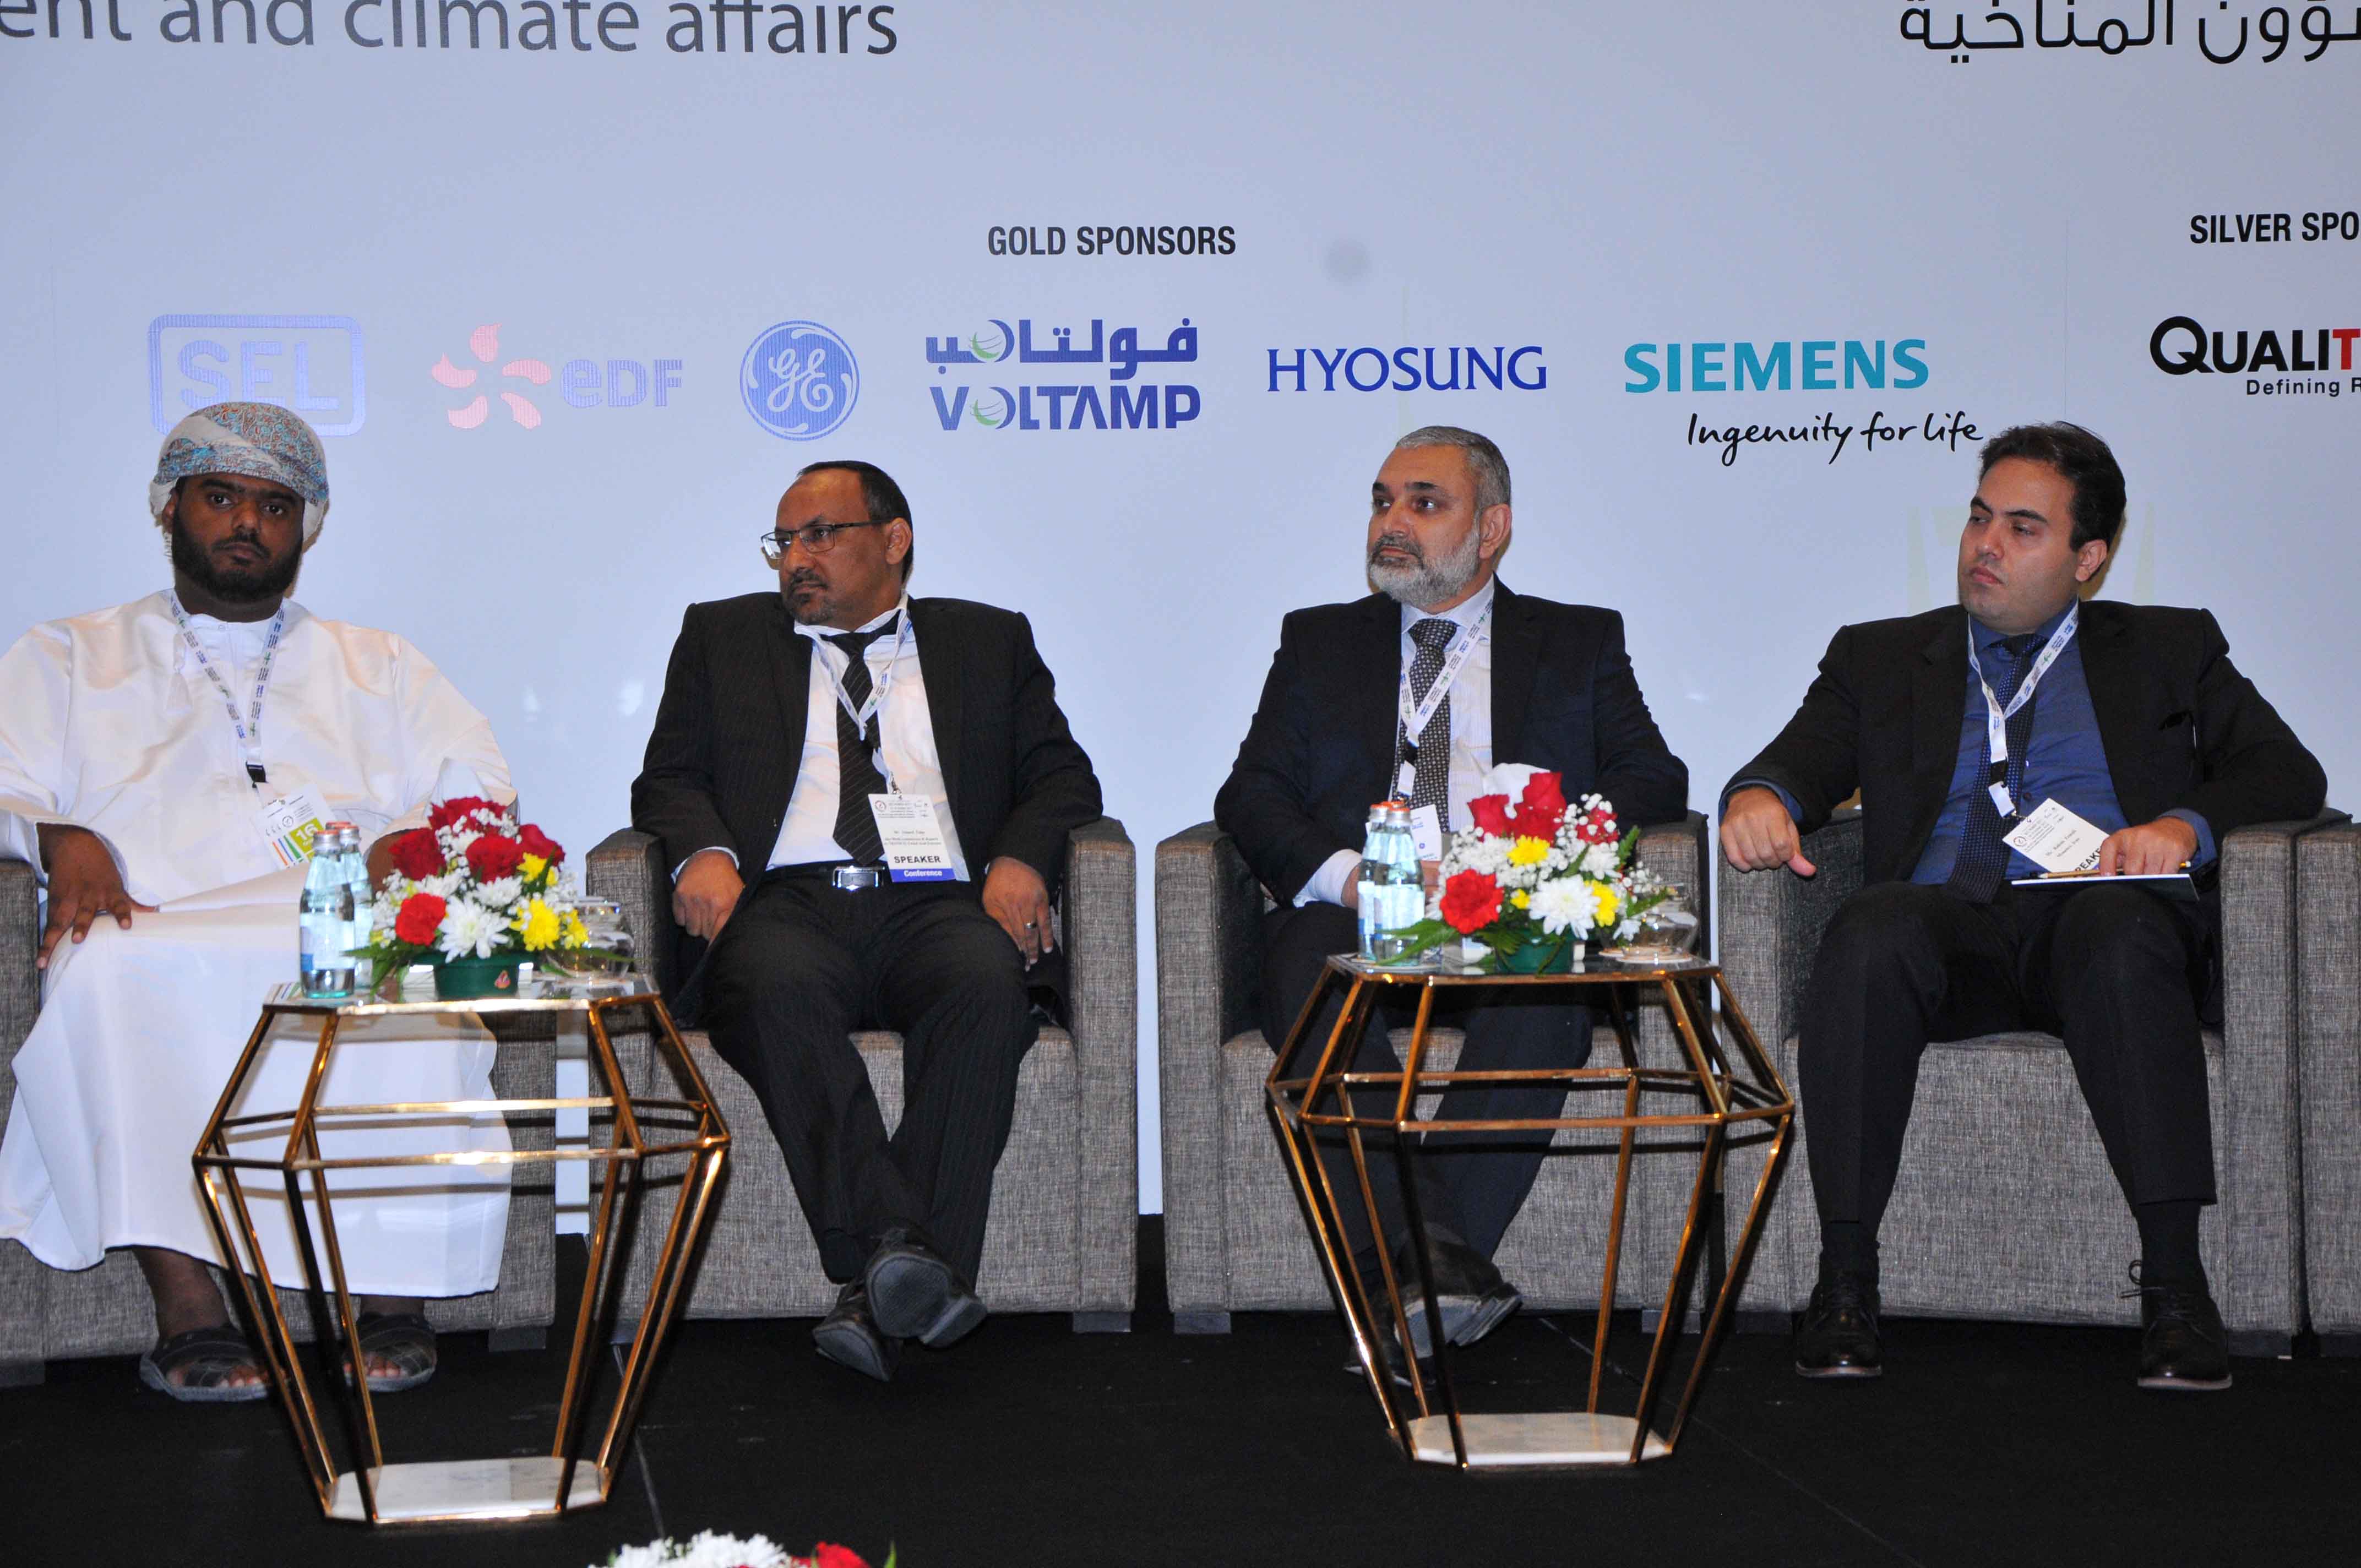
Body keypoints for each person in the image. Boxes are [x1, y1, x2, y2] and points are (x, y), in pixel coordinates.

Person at [1721, 421, 2326, 1392]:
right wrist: (1762, 796)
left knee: (2121, 929)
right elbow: (1800, 758)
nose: (1985, 545)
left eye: (2022, 528)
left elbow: (2286, 769)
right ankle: (1844, 1281)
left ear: (2089, 558)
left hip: (2098, 919)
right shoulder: (1882, 656)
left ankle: (2177, 1288)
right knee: (1870, 927)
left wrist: (2183, 827)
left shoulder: (2170, 648)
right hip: (1949, 930)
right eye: (1978, 518)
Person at [0, 404, 517, 1401]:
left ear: (306, 530)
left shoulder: (379, 663)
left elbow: (479, 779)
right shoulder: (69, 655)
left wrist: (407, 845)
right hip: (153, 921)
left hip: (333, 914)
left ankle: (388, 1291)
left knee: (398, 975)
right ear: (169, 509)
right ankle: (190, 1311)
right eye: (221, 496)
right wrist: (59, 838)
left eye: (276, 506)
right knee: (103, 968)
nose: (247, 522)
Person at [1215, 426, 1689, 1372]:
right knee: (1305, 966)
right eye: (1383, 501)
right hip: (1363, 908)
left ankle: (1408, 1286)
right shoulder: (1319, 642)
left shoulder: (1577, 640)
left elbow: (1653, 775)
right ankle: (1435, 1271)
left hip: (1504, 912)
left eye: (1424, 503)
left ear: (1493, 528)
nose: (1392, 522)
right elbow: (1251, 792)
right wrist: (1354, 875)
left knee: (1546, 1001)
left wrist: (1534, 860)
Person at [632, 459, 1102, 1384]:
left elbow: (1063, 777)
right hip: (790, 902)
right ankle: (904, 1255)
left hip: (936, 900)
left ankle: (877, 1282)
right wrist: (703, 853)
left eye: (820, 535)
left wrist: (1019, 859)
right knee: (766, 987)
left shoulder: (987, 640)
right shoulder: (722, 637)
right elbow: (668, 778)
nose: (795, 559)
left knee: (986, 988)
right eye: (784, 541)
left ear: (895, 540)